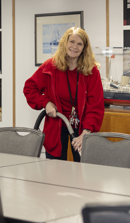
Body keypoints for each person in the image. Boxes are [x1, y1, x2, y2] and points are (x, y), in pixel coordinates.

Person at [24, 27, 104, 161]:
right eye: (72, 42)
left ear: (84, 48)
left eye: (79, 44)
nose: (75, 47)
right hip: (56, 125)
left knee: (83, 171)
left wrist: (86, 132)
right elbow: (29, 88)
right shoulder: (50, 66)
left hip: (82, 128)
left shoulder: (92, 71)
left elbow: (95, 105)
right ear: (64, 43)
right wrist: (46, 103)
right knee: (55, 171)